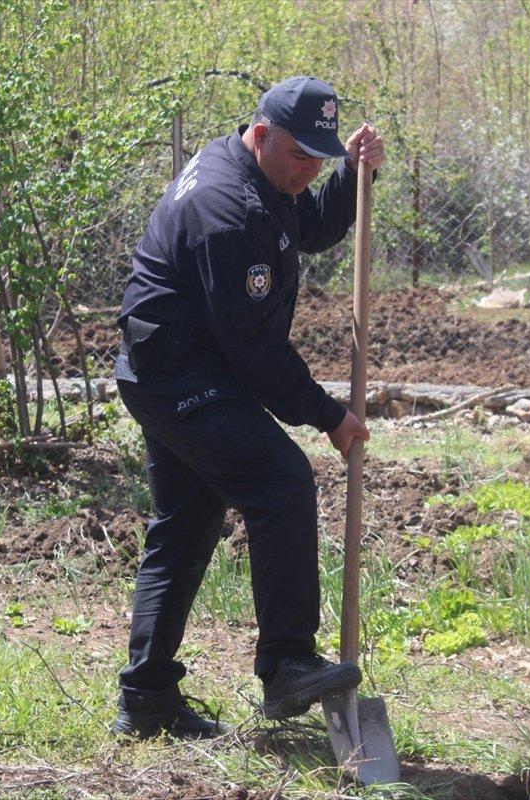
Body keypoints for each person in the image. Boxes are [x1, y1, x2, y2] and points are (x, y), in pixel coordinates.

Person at [112, 76, 386, 739]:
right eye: (302, 156)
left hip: (176, 368)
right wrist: (330, 416)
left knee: (185, 524)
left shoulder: (263, 174)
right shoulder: (226, 208)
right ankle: (287, 663)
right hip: (180, 376)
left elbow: (311, 224)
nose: (310, 170)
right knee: (280, 481)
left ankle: (146, 700)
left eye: (321, 156)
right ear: (261, 135)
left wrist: (351, 174)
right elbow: (258, 355)